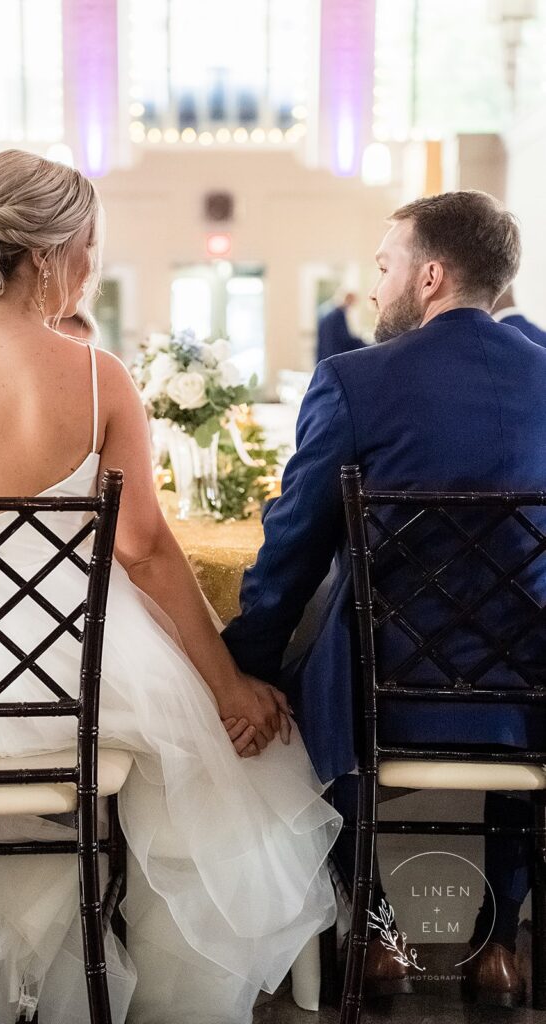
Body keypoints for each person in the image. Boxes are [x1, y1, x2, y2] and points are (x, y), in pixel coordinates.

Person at [0, 150, 340, 1024]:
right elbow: (148, 552)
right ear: (49, 254)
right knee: (236, 761)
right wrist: (227, 683)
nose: (90, 265)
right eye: (89, 246)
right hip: (66, 681)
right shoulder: (95, 378)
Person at [223, 190, 546, 1006]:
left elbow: (290, 547)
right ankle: (499, 940)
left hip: (378, 699)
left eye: (383, 266)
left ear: (429, 275)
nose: (373, 287)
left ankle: (373, 932)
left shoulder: (353, 381)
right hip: (529, 700)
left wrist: (242, 667)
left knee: (291, 683)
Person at [316, 290, 365, 362]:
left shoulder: (328, 312)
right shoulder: (338, 315)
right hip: (333, 355)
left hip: (325, 355)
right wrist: (363, 344)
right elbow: (345, 338)